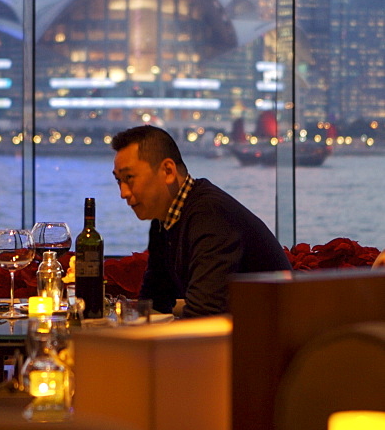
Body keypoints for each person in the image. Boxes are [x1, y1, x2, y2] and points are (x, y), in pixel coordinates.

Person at [111, 124, 291, 318]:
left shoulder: (210, 215)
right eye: (119, 180)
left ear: (168, 171)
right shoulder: (164, 220)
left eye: (129, 178)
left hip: (274, 339)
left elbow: (203, 314)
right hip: (240, 335)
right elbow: (156, 301)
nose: (123, 193)